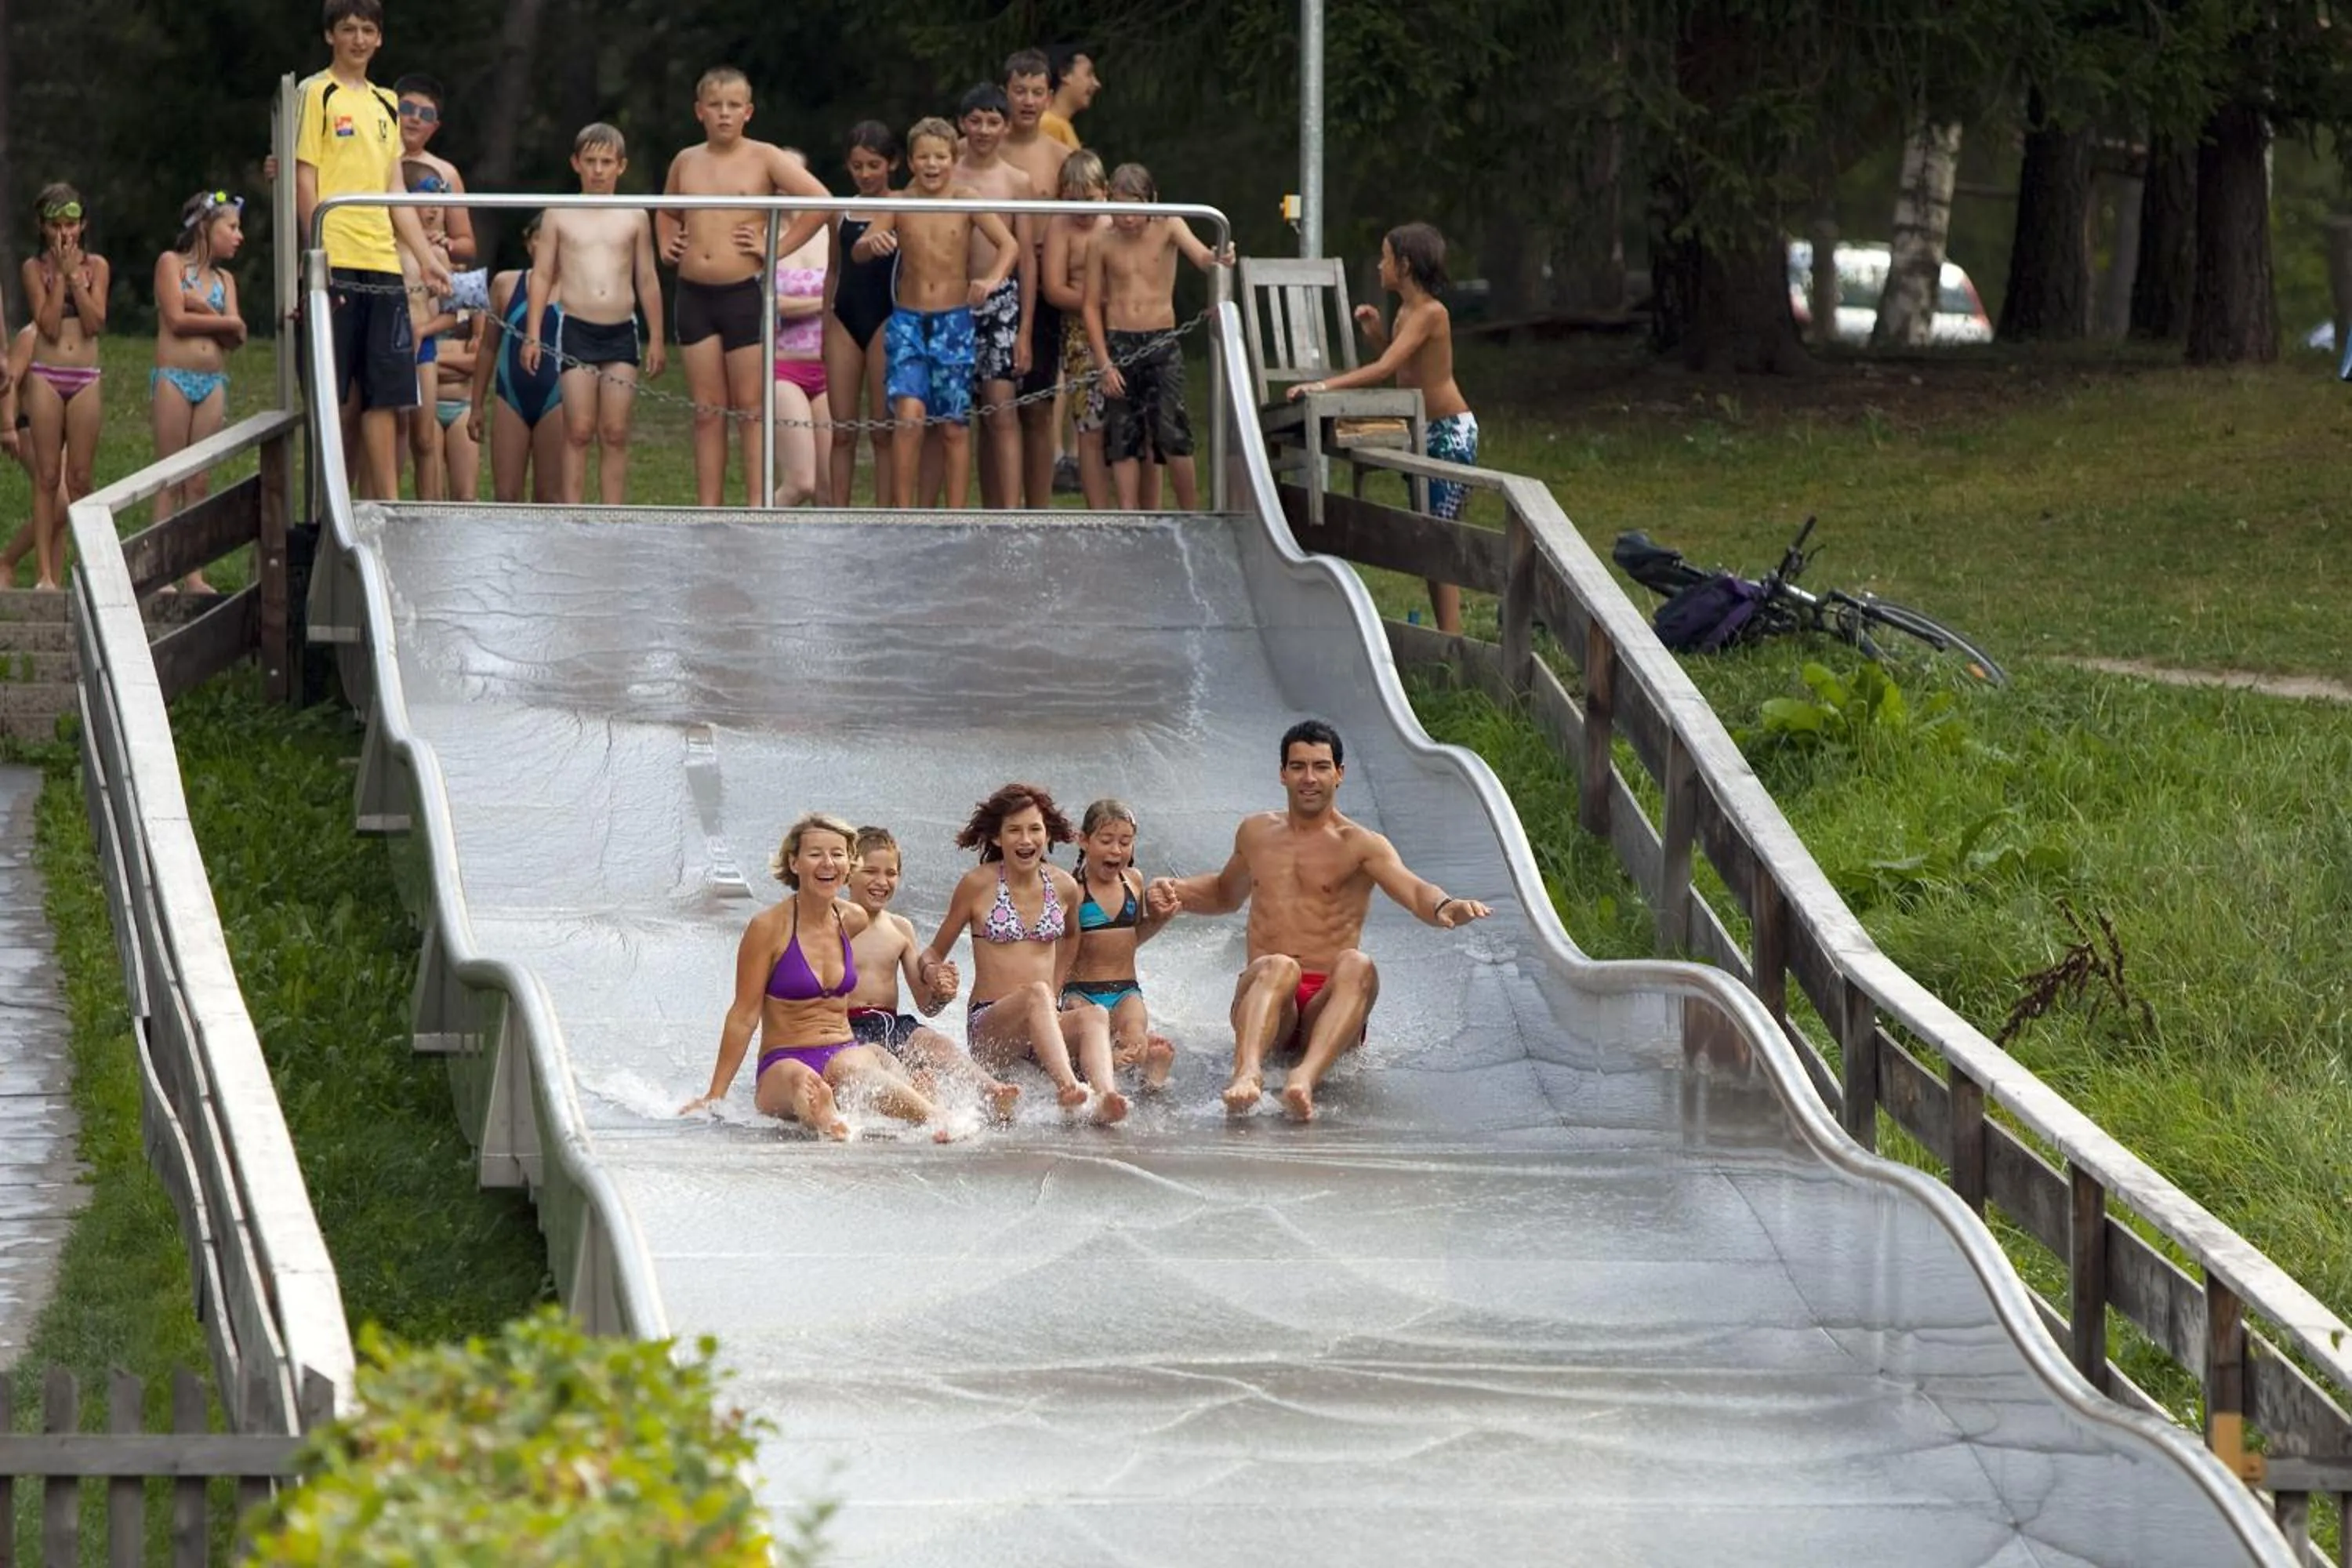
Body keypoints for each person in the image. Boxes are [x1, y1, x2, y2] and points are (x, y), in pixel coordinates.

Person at [1145, 720, 1492, 1122]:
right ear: (1283, 773)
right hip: (1267, 993)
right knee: (1280, 965)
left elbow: (1414, 890)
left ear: (1339, 774)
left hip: (1328, 1007)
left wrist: (1444, 905)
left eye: (1321, 766)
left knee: (1358, 964)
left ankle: (1303, 1080)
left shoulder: (1361, 845)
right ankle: (1247, 1073)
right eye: (1298, 766)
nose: (1309, 778)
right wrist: (1175, 891)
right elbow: (1224, 893)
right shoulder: (1256, 833)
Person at [683, 812, 954, 1142]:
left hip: (843, 1048)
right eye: (815, 854)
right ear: (794, 863)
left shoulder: (852, 918)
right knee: (802, 1081)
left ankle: (930, 1113)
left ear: (848, 864)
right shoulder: (768, 928)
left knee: (857, 1069)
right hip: (785, 1058)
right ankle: (827, 1117)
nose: (828, 863)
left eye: (837, 854)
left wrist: (932, 980)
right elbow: (743, 1016)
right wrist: (715, 1095)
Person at [295, 0, 454, 501]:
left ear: (380, 38)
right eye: (348, 29)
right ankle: (330, 510)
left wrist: (427, 260)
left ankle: (386, 506)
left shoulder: (388, 102)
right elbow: (305, 180)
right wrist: (317, 254)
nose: (358, 40)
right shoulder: (316, 93)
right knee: (336, 395)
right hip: (337, 260)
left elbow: (394, 190)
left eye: (367, 30)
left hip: (383, 263)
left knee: (385, 395)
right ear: (331, 36)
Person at [657, 67, 833, 507]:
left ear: (748, 112)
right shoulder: (686, 160)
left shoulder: (764, 157)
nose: (724, 113)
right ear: (699, 111)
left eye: (733, 106)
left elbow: (822, 202)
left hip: (742, 294)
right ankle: (709, 508)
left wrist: (776, 248)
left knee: (751, 409)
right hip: (694, 294)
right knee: (707, 410)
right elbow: (666, 210)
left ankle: (757, 506)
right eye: (715, 105)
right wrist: (666, 243)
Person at [1290, 222, 1475, 636]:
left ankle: (1452, 639)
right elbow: (1402, 368)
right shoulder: (1406, 313)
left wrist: (1323, 386)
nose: (1379, 265)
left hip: (1450, 432)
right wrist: (1376, 335)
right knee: (1427, 535)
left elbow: (1384, 369)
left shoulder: (1431, 313)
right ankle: (1448, 636)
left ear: (1404, 265)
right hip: (1423, 428)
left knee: (1438, 537)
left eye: (1385, 258)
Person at [918, 783, 1127, 1124]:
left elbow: (1071, 936)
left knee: (1095, 1016)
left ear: (1047, 834)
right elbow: (932, 952)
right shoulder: (978, 884)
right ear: (998, 838)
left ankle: (1106, 1097)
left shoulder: (1064, 886)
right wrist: (933, 973)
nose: (1026, 840)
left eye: (1034, 829)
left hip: (1043, 1024)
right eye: (1014, 830)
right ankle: (1068, 1088)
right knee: (1036, 994)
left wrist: (1056, 989)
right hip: (991, 1028)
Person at [853, 117, 1015, 511]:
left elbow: (1009, 245)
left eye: (940, 157)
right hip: (908, 322)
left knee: (953, 426)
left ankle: (955, 515)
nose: (932, 165)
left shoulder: (966, 199)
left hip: (953, 322)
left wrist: (991, 279)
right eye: (924, 157)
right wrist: (872, 244)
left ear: (953, 160)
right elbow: (859, 251)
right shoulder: (900, 203)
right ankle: (903, 512)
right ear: (911, 162)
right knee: (908, 418)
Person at [525, 122, 666, 505]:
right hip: (576, 329)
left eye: (606, 162)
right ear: (576, 163)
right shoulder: (559, 214)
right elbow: (542, 275)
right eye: (591, 162)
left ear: (621, 166)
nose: (598, 170)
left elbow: (647, 278)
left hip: (621, 331)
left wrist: (657, 337)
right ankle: (573, 513)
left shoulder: (635, 216)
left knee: (615, 431)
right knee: (579, 428)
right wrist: (533, 333)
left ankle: (612, 515)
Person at [1083, 162, 1232, 514]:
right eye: (1120, 208)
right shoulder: (1101, 240)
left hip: (1161, 340)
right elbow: (1090, 305)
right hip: (1120, 341)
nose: (1128, 219)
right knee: (1123, 435)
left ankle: (1191, 513)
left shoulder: (1168, 225)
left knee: (1171, 431)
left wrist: (1220, 257)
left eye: (1136, 209)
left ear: (1152, 201)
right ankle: (1129, 514)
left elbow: (1203, 258)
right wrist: (1104, 362)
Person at [843, 826, 1021, 1119]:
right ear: (848, 874)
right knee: (883, 1064)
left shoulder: (900, 928)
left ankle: (991, 1090)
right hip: (848, 1026)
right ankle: (920, 1099)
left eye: (891, 873)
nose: (882, 881)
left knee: (937, 1044)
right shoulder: (834, 923)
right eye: (870, 871)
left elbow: (926, 1005)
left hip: (891, 1023)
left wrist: (941, 993)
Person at [150, 191, 248, 593]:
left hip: (212, 383)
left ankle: (193, 572)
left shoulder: (225, 280)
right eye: (232, 227)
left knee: (200, 480)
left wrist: (205, 310)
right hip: (175, 377)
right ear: (207, 228)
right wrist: (223, 322)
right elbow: (176, 320)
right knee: (170, 476)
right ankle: (160, 571)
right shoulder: (171, 264)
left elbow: (239, 335)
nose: (239, 236)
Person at [17, 185, 108, 592]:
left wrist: (75, 277)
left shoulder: (97, 266)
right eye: (55, 226)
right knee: (48, 474)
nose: (64, 233)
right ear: (43, 228)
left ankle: (84, 567)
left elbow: (94, 322)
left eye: (70, 224)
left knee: (81, 477)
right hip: (47, 374)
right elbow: (50, 325)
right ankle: (45, 575)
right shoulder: (33, 269)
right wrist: (59, 278)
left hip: (84, 375)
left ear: (82, 225)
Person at [949, 84, 1035, 510]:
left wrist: (1026, 331)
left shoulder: (1017, 181)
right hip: (951, 299)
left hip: (1001, 301)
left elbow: (1027, 258)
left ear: (1006, 127)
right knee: (954, 414)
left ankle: (1010, 511)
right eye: (976, 121)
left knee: (1001, 409)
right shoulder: (944, 173)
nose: (983, 130)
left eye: (992, 122)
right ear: (961, 125)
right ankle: (968, 509)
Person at [999, 49, 1071, 508]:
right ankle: (997, 511)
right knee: (993, 408)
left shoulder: (1063, 158)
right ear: (1005, 92)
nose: (1027, 101)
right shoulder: (977, 149)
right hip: (988, 284)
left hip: (1043, 287)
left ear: (1049, 97)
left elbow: (1086, 224)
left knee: (1038, 406)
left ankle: (1038, 512)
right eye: (1019, 91)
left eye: (1037, 92)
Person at [1063, 799, 1176, 1090]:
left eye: (1125, 842)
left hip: (1126, 990)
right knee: (1083, 1051)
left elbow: (1131, 938)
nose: (1116, 850)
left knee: (1134, 1037)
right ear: (1084, 840)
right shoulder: (1074, 889)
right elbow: (1062, 949)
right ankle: (1105, 1063)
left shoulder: (1133, 881)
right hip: (1082, 992)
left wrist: (1160, 919)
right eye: (1106, 840)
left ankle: (1151, 1079)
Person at [823, 122, 899, 506]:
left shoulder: (904, 206)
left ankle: (885, 516)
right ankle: (839, 513)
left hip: (887, 316)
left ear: (892, 164)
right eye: (857, 166)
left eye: (874, 165)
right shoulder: (840, 212)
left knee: (883, 430)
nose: (865, 174)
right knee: (842, 431)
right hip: (844, 317)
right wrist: (825, 325)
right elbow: (834, 270)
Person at [467, 224, 564, 503]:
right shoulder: (506, 284)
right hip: (511, 397)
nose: (548, 247)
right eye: (541, 238)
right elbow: (488, 347)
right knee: (506, 496)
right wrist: (476, 406)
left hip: (557, 399)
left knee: (550, 498)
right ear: (528, 243)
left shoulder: (575, 289)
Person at [1041, 151, 1112, 509]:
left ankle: (1141, 510)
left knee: (1137, 427)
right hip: (1080, 332)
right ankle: (1098, 512)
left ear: (1106, 192)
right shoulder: (1059, 227)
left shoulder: (1118, 221)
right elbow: (1054, 289)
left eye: (1090, 200)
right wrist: (1096, 303)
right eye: (1073, 201)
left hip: (1126, 329)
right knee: (1090, 425)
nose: (1082, 210)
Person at [771, 201, 829, 505]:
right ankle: (751, 529)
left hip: (828, 369)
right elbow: (772, 304)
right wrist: (823, 304)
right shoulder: (762, 237)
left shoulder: (828, 233)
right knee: (800, 483)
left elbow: (845, 291)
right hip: (785, 368)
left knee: (829, 491)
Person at [432, 305, 481, 500]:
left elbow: (477, 363)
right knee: (432, 497)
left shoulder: (474, 300)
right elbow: (412, 360)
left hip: (463, 408)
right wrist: (459, 359)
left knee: (466, 497)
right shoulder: (421, 298)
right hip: (429, 408)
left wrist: (432, 359)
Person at [1042, 44, 1100, 151]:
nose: (1097, 84)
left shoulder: (1060, 125)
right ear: (1064, 74)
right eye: (1088, 74)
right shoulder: (1050, 125)